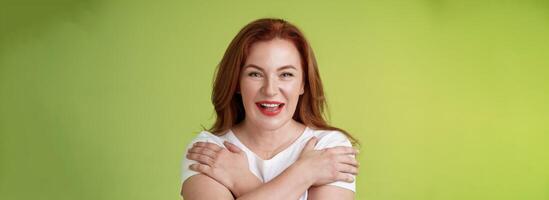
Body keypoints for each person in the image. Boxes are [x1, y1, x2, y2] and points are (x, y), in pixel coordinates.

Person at [180, 18, 360, 200]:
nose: (270, 90)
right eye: (255, 74)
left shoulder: (327, 148)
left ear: (303, 84)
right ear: (236, 82)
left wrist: (241, 181)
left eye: (286, 74)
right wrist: (304, 173)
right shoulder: (210, 151)